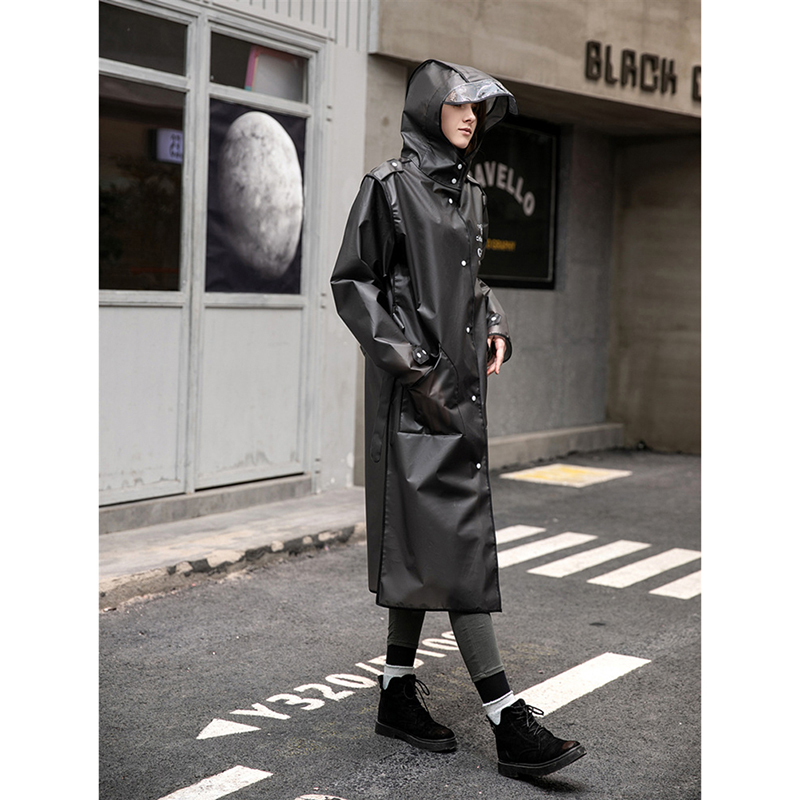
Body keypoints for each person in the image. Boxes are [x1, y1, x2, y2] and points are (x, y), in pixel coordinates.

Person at [330, 59, 586, 780]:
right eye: (460, 104)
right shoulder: (388, 187)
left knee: (427, 546)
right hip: (417, 397)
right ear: (428, 108)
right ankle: (506, 720)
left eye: (479, 107)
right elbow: (352, 284)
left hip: (459, 393)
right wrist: (416, 364)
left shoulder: (470, 194)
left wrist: (494, 322)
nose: (472, 116)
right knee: (456, 543)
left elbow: (471, 285)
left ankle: (395, 693)